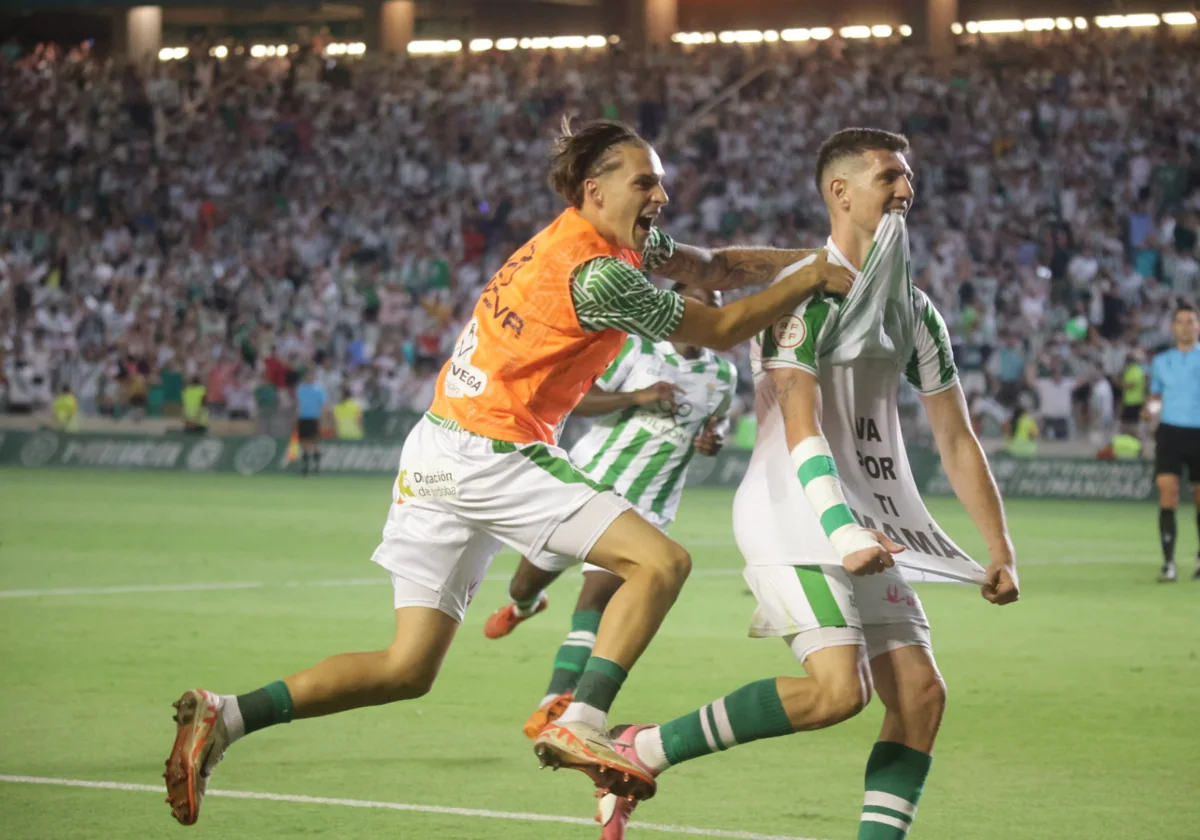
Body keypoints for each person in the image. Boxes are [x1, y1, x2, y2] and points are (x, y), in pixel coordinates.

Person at [162, 118, 853, 826]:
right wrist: (815, 278)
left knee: (407, 668)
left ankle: (228, 717)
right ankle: (581, 720)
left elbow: (712, 268)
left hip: (436, 447)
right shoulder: (600, 273)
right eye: (646, 182)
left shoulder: (598, 241)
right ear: (596, 189)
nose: (662, 194)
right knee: (662, 564)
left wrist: (825, 257)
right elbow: (717, 328)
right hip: (491, 451)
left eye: (662, 182)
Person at [591, 129, 1019, 840]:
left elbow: (954, 436)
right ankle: (643, 748)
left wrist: (998, 546)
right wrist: (842, 528)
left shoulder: (913, 310)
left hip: (868, 524)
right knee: (835, 693)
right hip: (792, 510)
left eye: (908, 177)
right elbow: (799, 421)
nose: (907, 190)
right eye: (889, 177)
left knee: (920, 696)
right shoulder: (803, 299)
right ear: (839, 192)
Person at [481, 285, 735, 738]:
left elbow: (716, 424)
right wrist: (637, 397)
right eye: (699, 302)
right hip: (584, 486)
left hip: (647, 506)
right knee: (523, 582)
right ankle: (524, 606)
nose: (709, 310)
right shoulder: (634, 347)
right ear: (677, 308)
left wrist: (712, 440)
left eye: (715, 303)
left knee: (593, 600)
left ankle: (555, 702)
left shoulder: (723, 373)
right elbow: (577, 398)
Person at [1144, 303, 1200, 583]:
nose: (1186, 326)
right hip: (1169, 432)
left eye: (1191, 321)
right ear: (1173, 327)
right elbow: (1156, 396)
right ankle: (1169, 564)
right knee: (1168, 492)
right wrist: (1150, 409)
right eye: (1181, 321)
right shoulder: (1161, 361)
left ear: (1198, 326)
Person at [295, 368, 328, 476]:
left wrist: (322, 418)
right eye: (308, 375)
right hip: (303, 417)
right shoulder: (301, 389)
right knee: (303, 442)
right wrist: (297, 417)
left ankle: (316, 466)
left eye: (311, 375)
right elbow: (298, 404)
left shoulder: (319, 389)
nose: (309, 377)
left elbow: (323, 405)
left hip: (314, 417)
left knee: (314, 442)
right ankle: (305, 466)